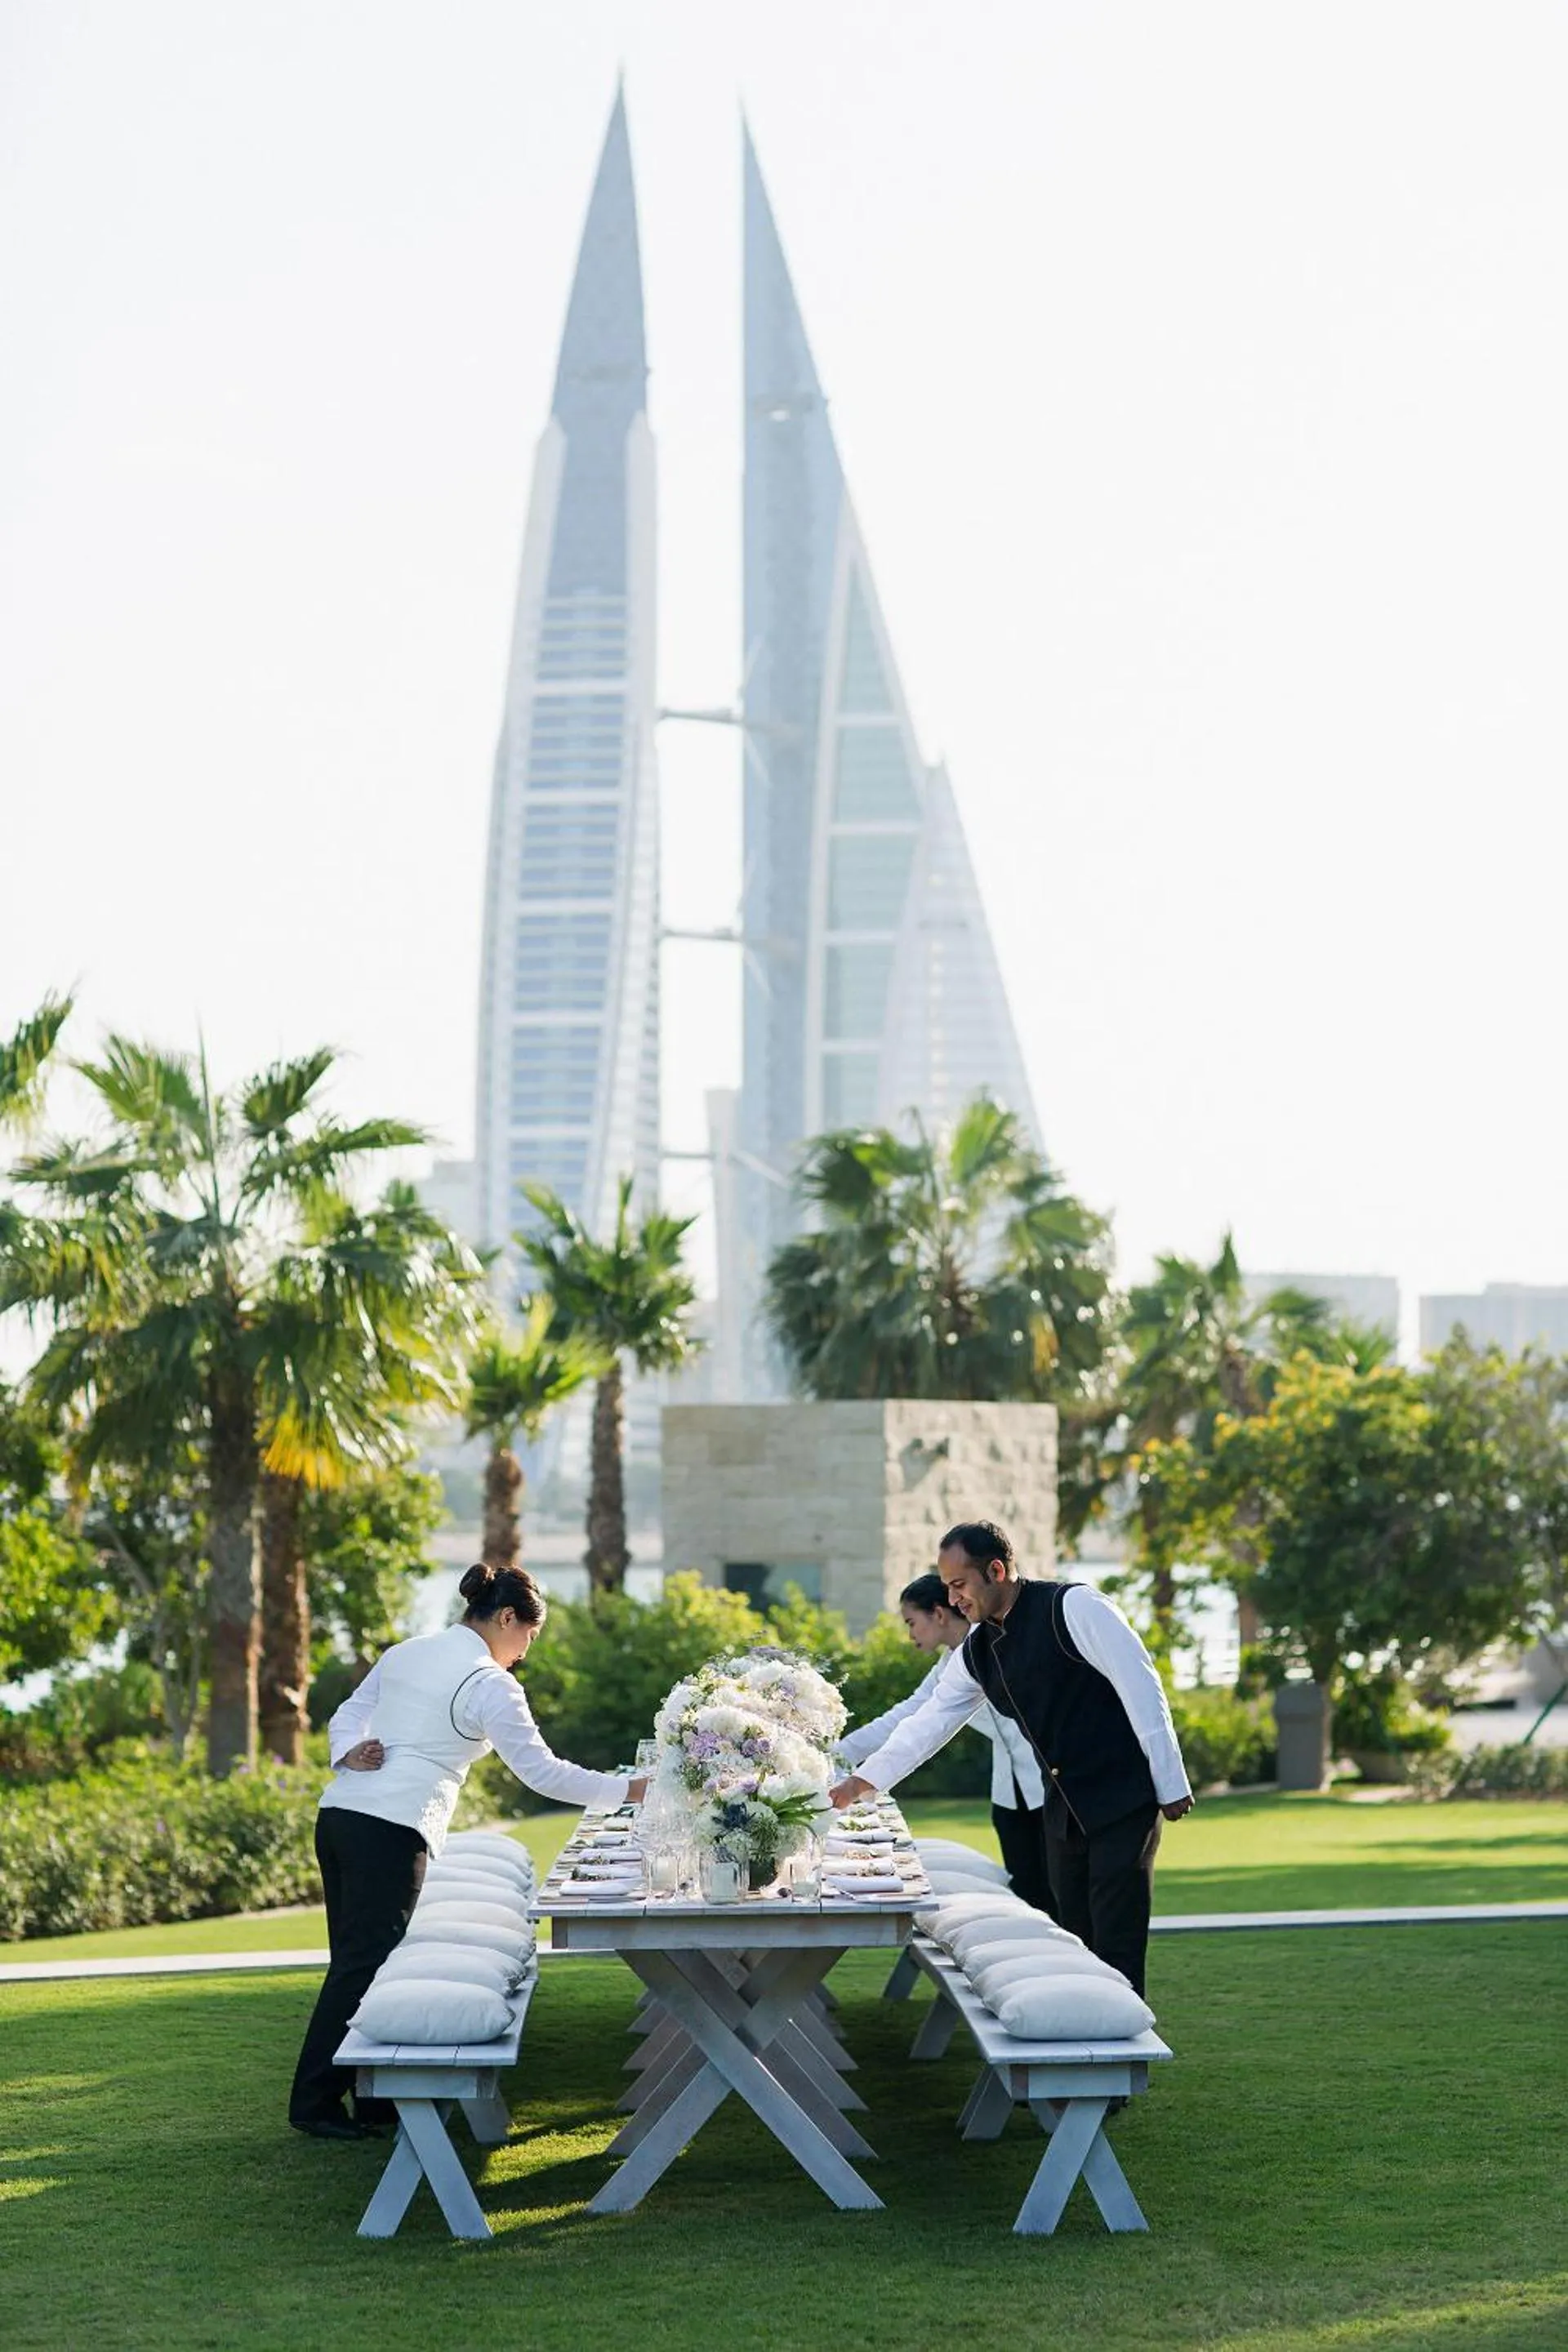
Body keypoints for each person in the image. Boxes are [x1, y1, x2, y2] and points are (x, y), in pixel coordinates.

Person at [289, 1561, 647, 2140]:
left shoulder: (408, 1651)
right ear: (507, 1617)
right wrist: (627, 1791)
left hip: (340, 1819)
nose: (525, 1652)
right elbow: (543, 1774)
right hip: (390, 1830)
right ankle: (314, 2104)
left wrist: (346, 1752)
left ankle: (374, 2100)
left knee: (359, 1965)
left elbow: (350, 1713)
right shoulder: (489, 1683)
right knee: (365, 1967)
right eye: (528, 1636)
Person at [831, 1521, 1192, 1997]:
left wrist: (1171, 1783)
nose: (954, 1599)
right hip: (1060, 1810)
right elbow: (928, 1723)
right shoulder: (976, 1652)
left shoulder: (1075, 1607)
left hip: (1122, 1798)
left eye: (959, 1585)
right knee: (1076, 1940)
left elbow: (1143, 1688)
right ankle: (1079, 2049)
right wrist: (861, 1783)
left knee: (1116, 1940)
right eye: (947, 1588)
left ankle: (1125, 2062)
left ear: (996, 1570)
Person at [839, 1572, 1052, 1913]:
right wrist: (837, 1754)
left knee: (1061, 1896)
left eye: (912, 1622)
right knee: (1028, 1894)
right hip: (1009, 1796)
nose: (909, 1635)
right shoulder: (947, 1665)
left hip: (1049, 1787)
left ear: (939, 1614)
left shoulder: (995, 1644)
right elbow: (905, 1716)